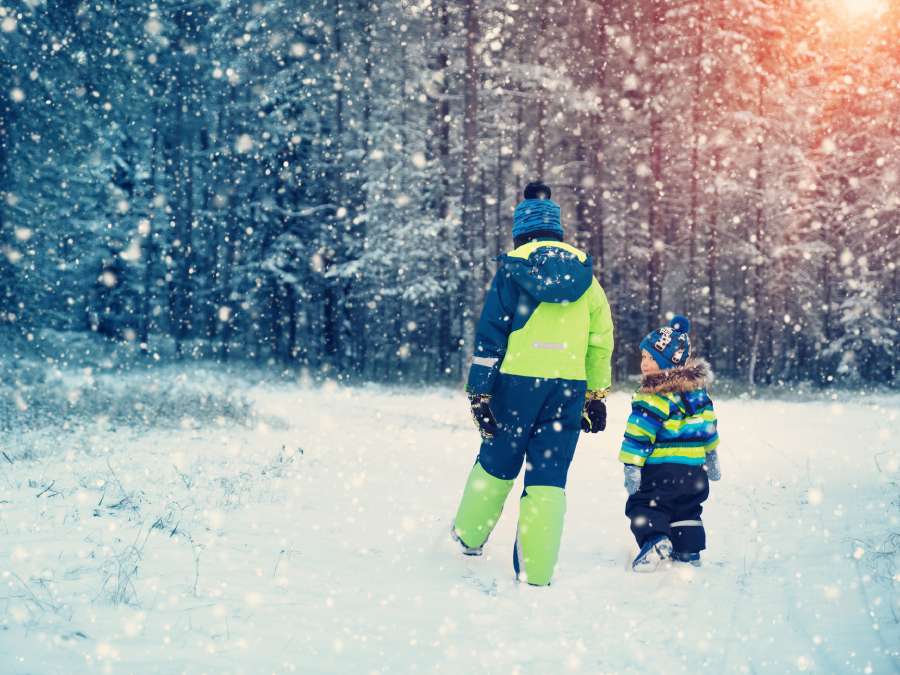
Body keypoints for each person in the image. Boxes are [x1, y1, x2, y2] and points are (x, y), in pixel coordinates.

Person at [450, 181, 615, 586]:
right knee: (549, 474)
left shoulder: (512, 271)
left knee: (498, 459)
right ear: (558, 232)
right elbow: (600, 339)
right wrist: (595, 394)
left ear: (520, 232)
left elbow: (492, 334)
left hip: (515, 385)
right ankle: (537, 570)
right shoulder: (586, 278)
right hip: (567, 388)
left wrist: (480, 391)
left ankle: (470, 535)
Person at [618, 315, 721, 572]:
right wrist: (711, 457)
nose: (644, 364)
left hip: (660, 469)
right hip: (694, 471)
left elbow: (639, 433)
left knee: (645, 504)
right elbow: (708, 426)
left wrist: (632, 465)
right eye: (643, 357)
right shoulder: (698, 393)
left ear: (667, 362)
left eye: (651, 358)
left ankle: (654, 540)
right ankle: (688, 549)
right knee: (687, 508)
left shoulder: (653, 394)